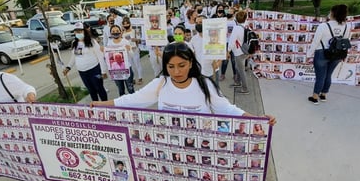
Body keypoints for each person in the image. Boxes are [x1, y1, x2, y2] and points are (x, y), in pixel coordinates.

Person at [91, 42, 276, 125]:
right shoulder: (160, 83)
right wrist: (101, 105)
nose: (176, 72)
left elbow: (228, 109)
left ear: (190, 63)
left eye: (181, 65)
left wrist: (257, 119)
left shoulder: (205, 84)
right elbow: (131, 100)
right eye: (170, 66)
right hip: (169, 153)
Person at [307, 4, 350, 104]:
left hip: (322, 53)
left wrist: (308, 54)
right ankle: (324, 95)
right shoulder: (347, 27)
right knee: (328, 75)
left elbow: (315, 42)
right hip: (338, 54)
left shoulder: (323, 26)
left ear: (332, 13)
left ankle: (315, 97)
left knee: (320, 76)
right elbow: (345, 41)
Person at [64, 22, 108, 101]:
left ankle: (105, 107)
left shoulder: (92, 42)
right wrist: (68, 67)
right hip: (82, 72)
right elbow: (74, 56)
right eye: (76, 31)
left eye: (80, 31)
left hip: (94, 70)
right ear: (74, 32)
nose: (78, 33)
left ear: (84, 31)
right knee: (91, 91)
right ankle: (96, 108)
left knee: (99, 88)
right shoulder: (74, 43)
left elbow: (100, 56)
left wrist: (103, 71)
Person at [106, 24, 135, 96]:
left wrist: (129, 50)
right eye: (113, 31)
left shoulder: (125, 42)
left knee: (130, 89)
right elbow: (108, 56)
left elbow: (132, 56)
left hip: (127, 69)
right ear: (110, 33)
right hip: (116, 71)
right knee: (121, 90)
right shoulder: (109, 43)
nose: (115, 32)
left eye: (117, 31)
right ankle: (123, 106)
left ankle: (133, 104)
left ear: (120, 32)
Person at [228, 10, 250, 94]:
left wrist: (228, 50)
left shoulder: (237, 28)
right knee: (238, 67)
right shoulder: (247, 25)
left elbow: (232, 41)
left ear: (236, 19)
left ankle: (245, 89)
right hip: (245, 50)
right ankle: (237, 82)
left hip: (239, 52)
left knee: (241, 70)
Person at [122, 16, 143, 85]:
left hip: (134, 49)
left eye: (127, 24)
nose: (126, 25)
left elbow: (139, 40)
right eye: (124, 24)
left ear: (129, 24)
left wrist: (136, 40)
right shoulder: (122, 33)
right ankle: (133, 78)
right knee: (131, 65)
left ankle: (140, 78)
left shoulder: (134, 31)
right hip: (127, 51)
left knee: (137, 64)